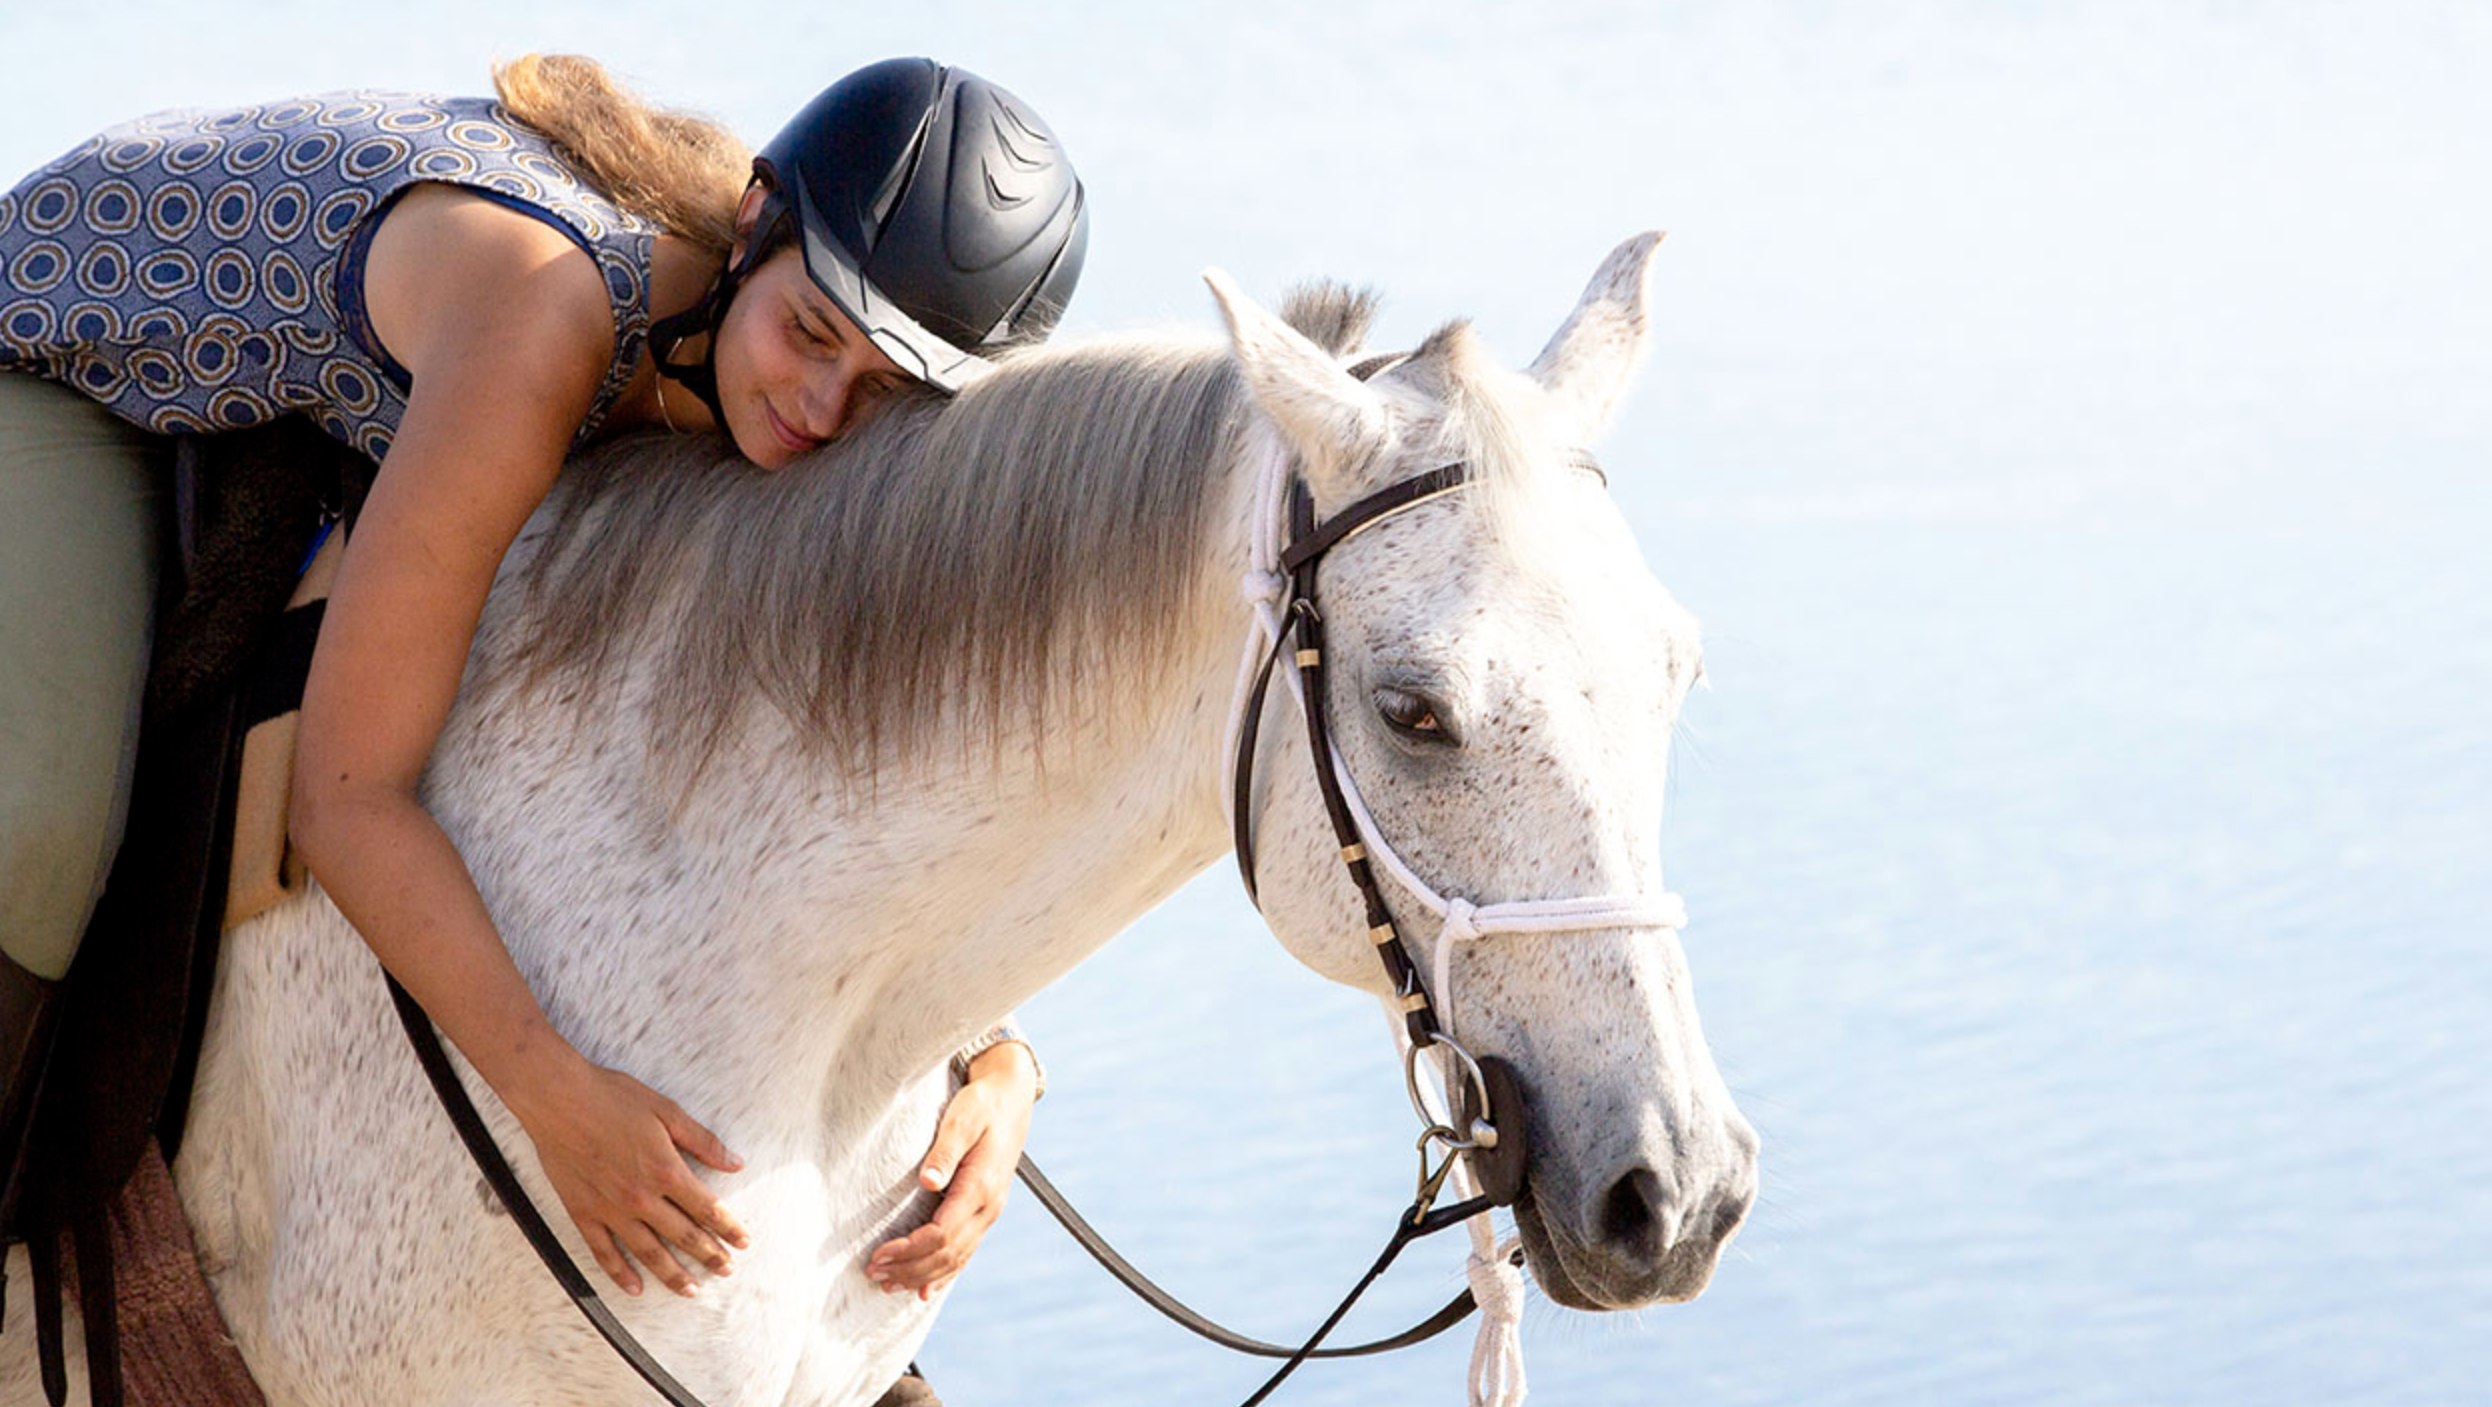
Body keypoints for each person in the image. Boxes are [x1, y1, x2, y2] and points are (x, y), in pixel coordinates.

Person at [0, 51, 1087, 1330]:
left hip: (327, 368)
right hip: (60, 358)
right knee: (44, 827)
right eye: (810, 334)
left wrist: (999, 1050)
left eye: (888, 394)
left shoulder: (789, 373)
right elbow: (345, 800)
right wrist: (555, 1098)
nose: (818, 408)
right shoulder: (544, 322)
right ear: (754, 225)